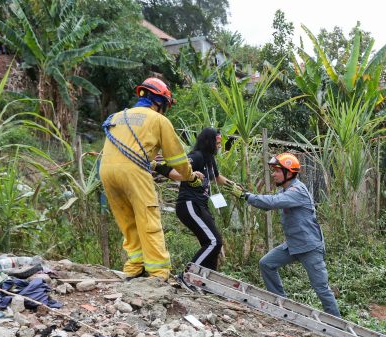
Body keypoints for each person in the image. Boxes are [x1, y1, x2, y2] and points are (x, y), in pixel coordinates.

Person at [99, 77, 202, 280]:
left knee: (127, 221)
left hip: (106, 171)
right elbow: (177, 159)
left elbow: (126, 152)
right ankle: (158, 272)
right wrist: (189, 177)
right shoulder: (158, 120)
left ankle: (134, 266)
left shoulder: (117, 116)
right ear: (160, 101)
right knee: (148, 219)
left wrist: (152, 164)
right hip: (133, 172)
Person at [224, 153, 341, 317]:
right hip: (293, 245)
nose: (273, 174)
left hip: (309, 247)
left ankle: (338, 326)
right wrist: (247, 195)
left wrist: (247, 196)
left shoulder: (297, 190)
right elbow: (269, 204)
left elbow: (272, 202)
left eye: (277, 171)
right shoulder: (288, 190)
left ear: (289, 173)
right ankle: (282, 306)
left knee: (321, 288)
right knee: (266, 264)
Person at [155, 128, 229, 271]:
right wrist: (190, 174)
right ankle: (189, 274)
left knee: (211, 244)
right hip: (189, 204)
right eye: (218, 142)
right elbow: (176, 171)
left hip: (201, 205)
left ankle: (205, 280)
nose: (219, 145)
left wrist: (236, 188)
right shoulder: (196, 156)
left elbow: (217, 178)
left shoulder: (209, 159)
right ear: (209, 142)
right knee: (214, 242)